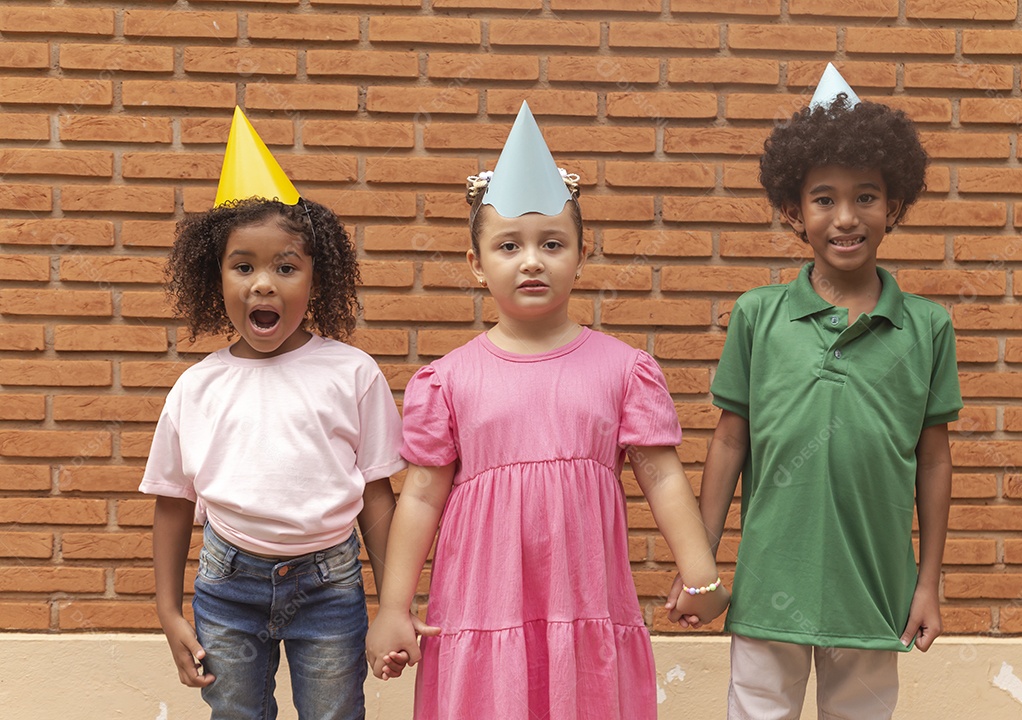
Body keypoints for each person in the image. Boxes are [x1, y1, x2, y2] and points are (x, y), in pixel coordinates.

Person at [364, 102, 729, 719]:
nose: (532, 259)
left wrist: (702, 574)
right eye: (510, 245)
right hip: (482, 603)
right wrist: (394, 609)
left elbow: (662, 475)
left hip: (584, 596)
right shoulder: (447, 380)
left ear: (581, 256)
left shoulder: (623, 369)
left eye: (552, 243)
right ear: (478, 265)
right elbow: (422, 496)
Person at [667, 64, 963, 719]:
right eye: (824, 198)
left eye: (867, 196)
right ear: (793, 212)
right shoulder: (758, 316)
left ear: (895, 206)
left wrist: (928, 584)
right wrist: (701, 566)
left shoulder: (928, 327)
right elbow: (728, 441)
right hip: (772, 581)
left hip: (875, 585)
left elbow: (935, 460)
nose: (846, 217)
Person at [140, 107, 406, 719]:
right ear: (218, 277)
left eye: (286, 267)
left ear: (318, 278)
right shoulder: (196, 388)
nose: (264, 284)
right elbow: (173, 500)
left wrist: (395, 603)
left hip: (331, 583)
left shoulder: (352, 372)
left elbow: (377, 494)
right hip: (226, 583)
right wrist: (168, 611)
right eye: (244, 266)